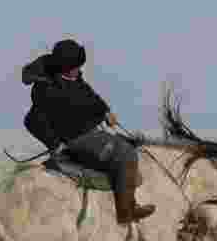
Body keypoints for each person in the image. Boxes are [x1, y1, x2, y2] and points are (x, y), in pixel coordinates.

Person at [22, 39, 155, 224]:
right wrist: (56, 145)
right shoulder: (45, 88)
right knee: (126, 154)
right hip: (77, 138)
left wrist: (105, 111)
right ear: (63, 66)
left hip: (89, 132)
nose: (78, 70)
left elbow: (89, 95)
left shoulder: (72, 76)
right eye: (74, 67)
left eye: (78, 66)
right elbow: (34, 120)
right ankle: (126, 212)